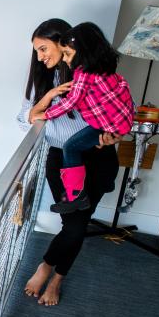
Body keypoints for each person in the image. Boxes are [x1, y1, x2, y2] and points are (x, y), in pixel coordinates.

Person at [17, 19, 120, 306]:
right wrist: (49, 96)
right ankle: (47, 267)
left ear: (65, 45)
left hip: (99, 158)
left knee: (79, 223)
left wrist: (112, 136)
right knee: (73, 226)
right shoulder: (41, 80)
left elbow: (117, 113)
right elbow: (25, 118)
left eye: (43, 49)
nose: (39, 56)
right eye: (36, 51)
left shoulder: (94, 76)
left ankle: (56, 276)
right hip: (61, 159)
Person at [33, 22, 134, 214]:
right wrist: (47, 96)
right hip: (109, 126)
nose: (65, 59)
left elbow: (70, 102)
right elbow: (27, 119)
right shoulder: (104, 72)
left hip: (105, 132)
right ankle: (98, 186)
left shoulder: (84, 74)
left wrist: (45, 114)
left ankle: (77, 196)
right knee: (74, 147)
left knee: (70, 147)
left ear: (81, 51)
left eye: (67, 54)